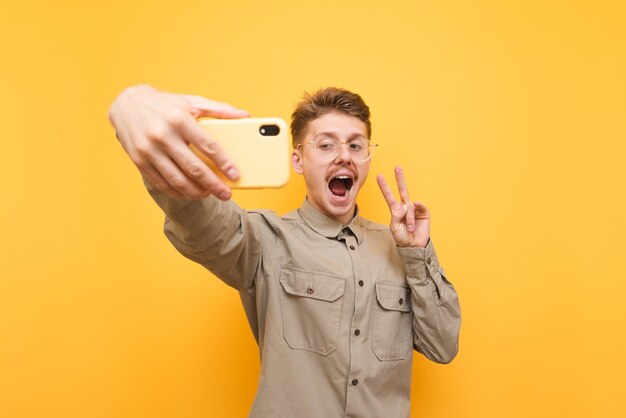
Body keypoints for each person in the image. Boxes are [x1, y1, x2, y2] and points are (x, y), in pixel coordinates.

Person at [108, 85, 461, 418]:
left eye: (356, 146)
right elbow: (201, 221)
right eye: (326, 145)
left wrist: (417, 255)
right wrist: (134, 104)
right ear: (298, 160)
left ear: (368, 157)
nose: (344, 156)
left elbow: (442, 346)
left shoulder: (402, 246)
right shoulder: (265, 239)